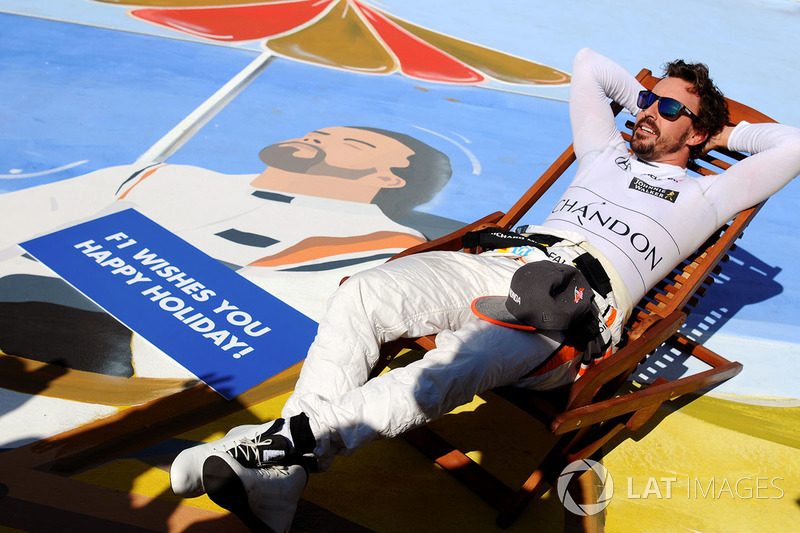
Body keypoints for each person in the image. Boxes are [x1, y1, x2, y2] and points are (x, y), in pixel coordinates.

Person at [169, 48, 800, 531]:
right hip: (505, 260)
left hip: (572, 303)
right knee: (363, 293)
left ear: (695, 133)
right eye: (645, 101)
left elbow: (791, 144)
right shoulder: (603, 149)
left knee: (454, 365)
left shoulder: (709, 192)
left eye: (667, 109)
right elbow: (588, 65)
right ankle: (281, 480)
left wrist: (720, 134)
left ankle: (272, 450)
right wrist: (657, 101)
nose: (645, 112)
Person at [0, 126, 452, 376]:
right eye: (320, 132)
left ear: (391, 179)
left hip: (110, 353)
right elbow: (17, 215)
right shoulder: (162, 178)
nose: (319, 139)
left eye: (352, 144)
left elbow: (259, 327)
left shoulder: (381, 241)